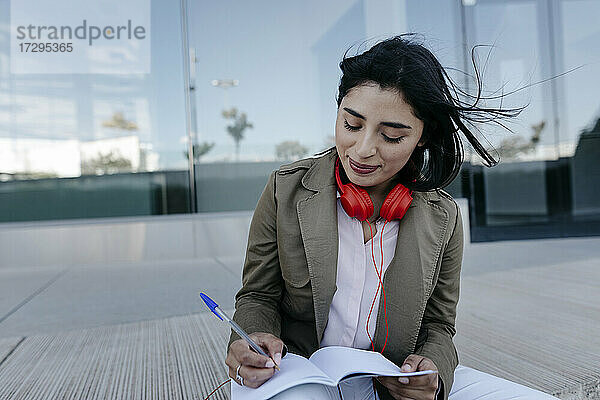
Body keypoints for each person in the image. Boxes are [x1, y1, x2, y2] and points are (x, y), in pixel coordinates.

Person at [225, 35, 559, 400]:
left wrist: (432, 370)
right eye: (351, 125)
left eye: (391, 135)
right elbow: (258, 295)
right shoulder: (283, 191)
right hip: (299, 371)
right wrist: (253, 338)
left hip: (391, 380)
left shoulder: (443, 218)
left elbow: (438, 325)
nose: (364, 149)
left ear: (421, 138)